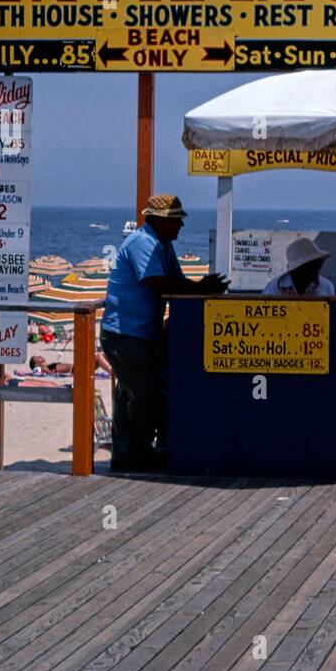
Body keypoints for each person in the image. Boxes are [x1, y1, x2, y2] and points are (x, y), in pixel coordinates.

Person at [101, 194, 228, 472]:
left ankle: (127, 456)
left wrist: (198, 287)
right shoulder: (141, 243)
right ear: (160, 221)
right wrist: (201, 288)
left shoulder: (163, 245)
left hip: (141, 334)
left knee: (130, 394)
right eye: (177, 221)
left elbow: (177, 283)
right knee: (143, 396)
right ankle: (136, 456)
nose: (181, 227)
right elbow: (159, 284)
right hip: (126, 335)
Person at [262, 238, 336, 296]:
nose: (318, 268)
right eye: (311, 265)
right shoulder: (274, 287)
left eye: (318, 263)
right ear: (297, 269)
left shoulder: (326, 287)